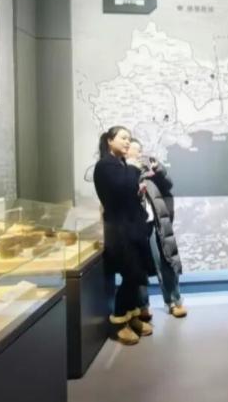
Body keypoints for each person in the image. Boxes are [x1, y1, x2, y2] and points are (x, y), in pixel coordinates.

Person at [93, 126, 154, 345]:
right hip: (120, 231)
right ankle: (120, 321)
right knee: (130, 275)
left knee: (137, 274)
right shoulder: (104, 166)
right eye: (123, 138)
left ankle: (133, 316)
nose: (127, 142)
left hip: (132, 228)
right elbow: (121, 189)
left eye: (129, 138)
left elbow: (128, 192)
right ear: (110, 141)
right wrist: (133, 169)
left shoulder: (120, 164)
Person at [127, 139, 188, 320]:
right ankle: (142, 307)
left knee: (165, 262)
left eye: (139, 150)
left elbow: (168, 185)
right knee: (138, 267)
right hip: (134, 226)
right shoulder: (123, 173)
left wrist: (159, 169)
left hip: (155, 224)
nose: (138, 153)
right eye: (134, 150)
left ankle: (174, 302)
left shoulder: (150, 171)